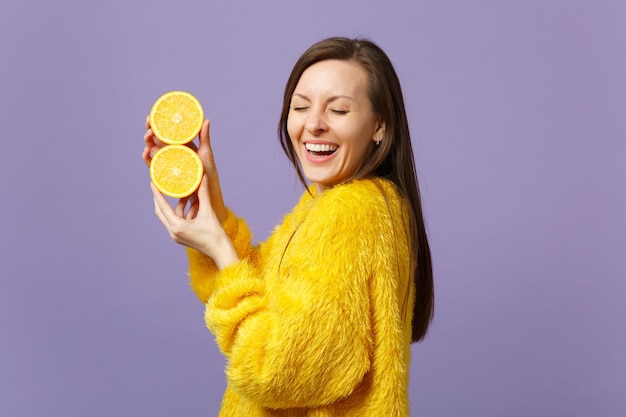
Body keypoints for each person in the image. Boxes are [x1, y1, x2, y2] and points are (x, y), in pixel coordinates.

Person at [142, 37, 434, 417]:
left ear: (380, 125)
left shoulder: (352, 213)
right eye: (300, 106)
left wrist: (219, 248)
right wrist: (210, 204)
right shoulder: (335, 204)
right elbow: (267, 297)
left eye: (339, 110)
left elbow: (273, 368)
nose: (313, 124)